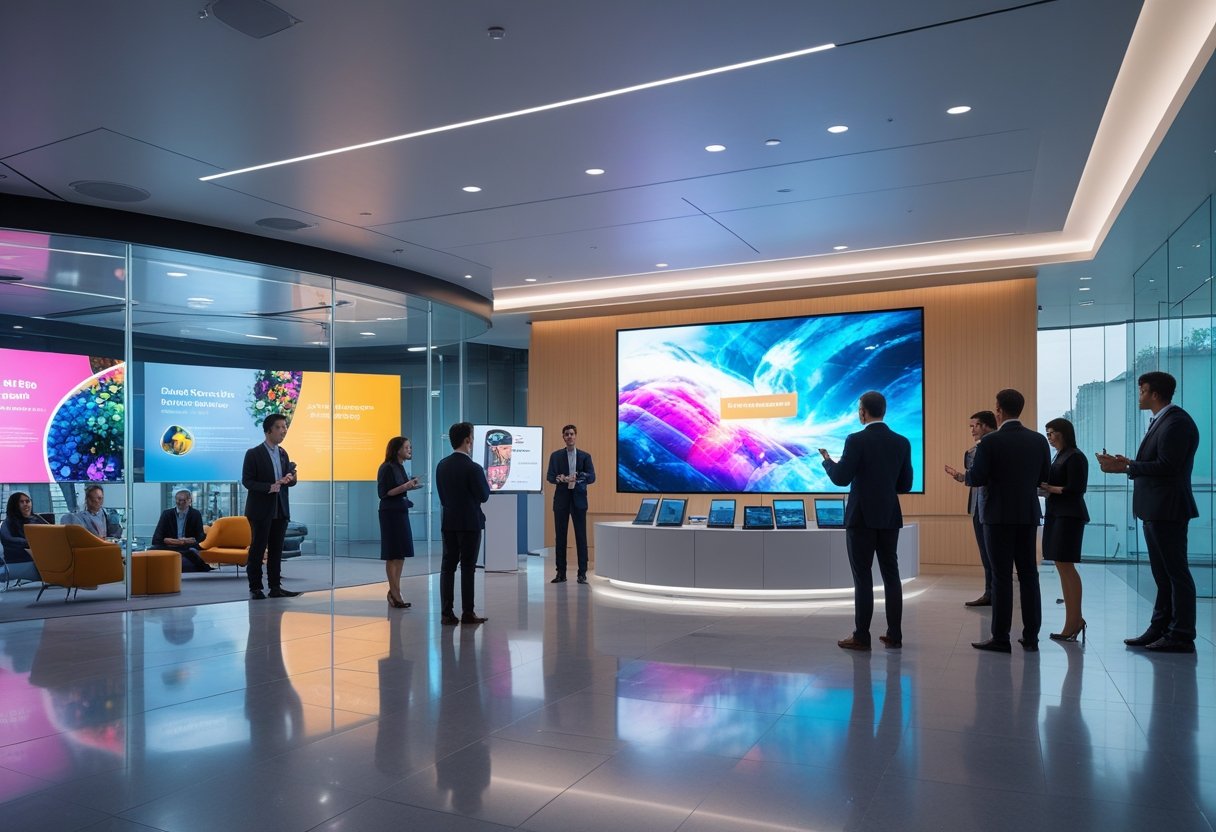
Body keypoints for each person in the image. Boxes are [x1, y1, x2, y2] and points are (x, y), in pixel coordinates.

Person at [1097, 370, 1199, 653]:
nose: (1139, 396)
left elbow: (1169, 466)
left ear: (1154, 394)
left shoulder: (1176, 422)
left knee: (1175, 573)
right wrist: (1129, 462)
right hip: (1155, 508)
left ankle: (1181, 633)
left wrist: (1128, 467)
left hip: (1167, 508)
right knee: (1163, 575)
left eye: (1141, 391)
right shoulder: (1161, 421)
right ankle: (1160, 628)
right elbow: (1159, 462)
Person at [820, 390, 914, 651]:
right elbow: (905, 485)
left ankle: (862, 636)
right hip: (889, 516)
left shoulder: (856, 440)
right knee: (891, 577)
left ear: (863, 411)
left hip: (861, 519)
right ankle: (894, 634)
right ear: (883, 410)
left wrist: (828, 462)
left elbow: (841, 478)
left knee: (863, 579)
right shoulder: (902, 442)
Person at [965, 388, 1051, 653]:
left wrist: (967, 476)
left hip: (996, 516)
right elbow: (1043, 477)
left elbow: (976, 478)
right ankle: (1031, 637)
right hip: (1027, 514)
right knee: (1029, 575)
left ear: (999, 410)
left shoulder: (989, 443)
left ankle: (1001, 637)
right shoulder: (1038, 441)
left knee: (1002, 577)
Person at [435, 421, 491, 625]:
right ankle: (468, 612)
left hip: (449, 521)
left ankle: (446, 613)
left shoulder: (442, 465)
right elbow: (484, 496)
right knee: (468, 567)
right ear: (468, 440)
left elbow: (442, 496)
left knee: (447, 567)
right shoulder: (473, 467)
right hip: (470, 523)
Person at [242, 413, 301, 600]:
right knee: (258, 549)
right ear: (268, 430)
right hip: (260, 510)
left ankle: (275, 587)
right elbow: (247, 481)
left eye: (285, 427)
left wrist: (291, 478)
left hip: (280, 509)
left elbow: (288, 482)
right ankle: (256, 588)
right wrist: (269, 487)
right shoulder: (253, 453)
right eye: (280, 427)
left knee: (276, 550)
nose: (284, 431)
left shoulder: (283, 453)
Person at [1041, 418, 1089, 642]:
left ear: (1064, 433)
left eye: (1052, 433)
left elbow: (1077, 489)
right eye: (1047, 433)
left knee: (1066, 566)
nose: (1049, 437)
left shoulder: (1075, 456)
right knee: (1062, 565)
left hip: (1069, 515)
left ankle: (1074, 621)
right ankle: (1074, 620)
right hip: (1056, 513)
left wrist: (1051, 488)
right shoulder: (1059, 456)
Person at [945, 411, 997, 607]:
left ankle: (995, 593)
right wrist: (960, 476)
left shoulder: (992, 446)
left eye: (974, 426)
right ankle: (989, 592)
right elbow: (973, 477)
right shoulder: (972, 451)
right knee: (985, 554)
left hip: (992, 507)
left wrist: (964, 476)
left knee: (994, 555)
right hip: (977, 507)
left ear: (985, 425)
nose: (972, 430)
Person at [545, 424, 596, 584]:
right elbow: (550, 476)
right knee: (560, 537)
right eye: (566, 434)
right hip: (561, 500)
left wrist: (579, 476)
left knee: (581, 537)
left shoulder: (585, 456)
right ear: (563, 437)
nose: (569, 436)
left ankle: (582, 573)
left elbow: (592, 477)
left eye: (572, 434)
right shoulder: (556, 456)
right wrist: (559, 478)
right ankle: (561, 573)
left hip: (579, 500)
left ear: (576, 436)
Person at [378, 435, 421, 609]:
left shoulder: (400, 466)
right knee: (392, 553)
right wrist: (406, 486)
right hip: (390, 512)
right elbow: (384, 493)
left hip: (400, 510)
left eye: (409, 447)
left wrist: (411, 484)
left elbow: (402, 488)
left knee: (401, 553)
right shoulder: (386, 467)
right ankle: (394, 592)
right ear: (397, 450)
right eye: (406, 447)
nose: (409, 450)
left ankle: (395, 590)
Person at [151, 489, 213, 573]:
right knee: (153, 549)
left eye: (184, 500)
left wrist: (186, 541)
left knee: (192, 550)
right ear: (175, 500)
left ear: (190, 501)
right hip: (170, 545)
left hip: (187, 545)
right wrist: (177, 542)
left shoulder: (195, 514)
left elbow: (200, 537)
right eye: (179, 500)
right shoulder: (166, 514)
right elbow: (156, 538)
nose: (181, 503)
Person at [2, 492, 48, 583]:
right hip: (21, 556)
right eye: (21, 502)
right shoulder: (8, 523)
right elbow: (8, 540)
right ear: (14, 505)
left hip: (41, 551)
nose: (25, 504)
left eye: (27, 501)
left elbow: (51, 531)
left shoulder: (36, 518)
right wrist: (30, 543)